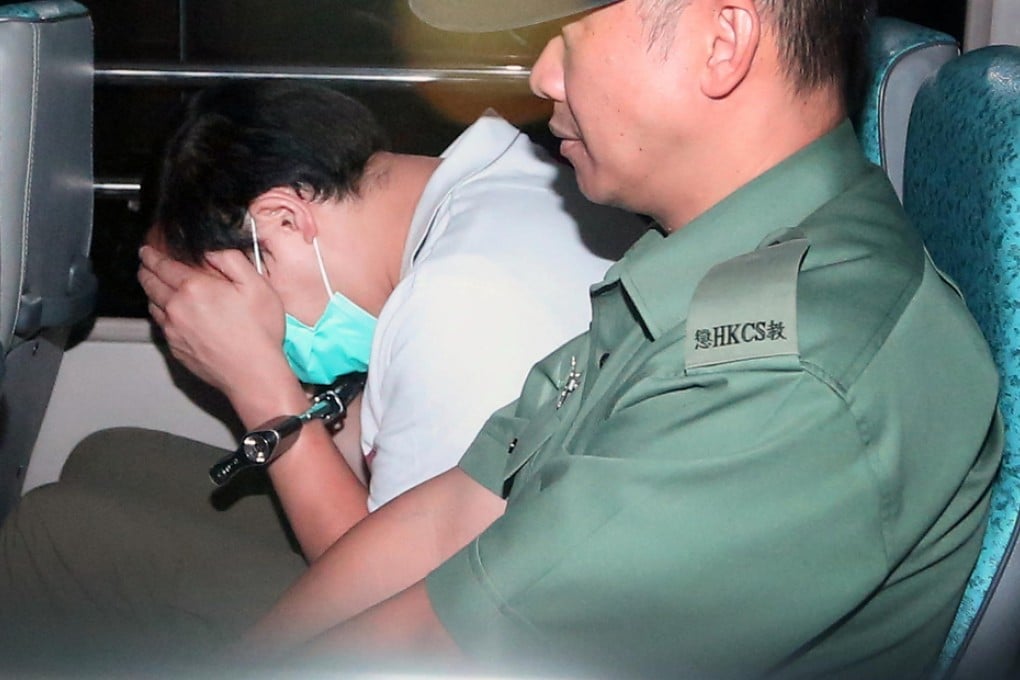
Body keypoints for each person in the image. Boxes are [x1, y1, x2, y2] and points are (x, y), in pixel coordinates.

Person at [227, 1, 1002, 678]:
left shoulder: (794, 377)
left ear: (723, 40)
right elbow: (456, 511)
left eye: (571, 33)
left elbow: (446, 648)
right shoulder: (720, 259)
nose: (541, 76)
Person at [0, 81, 645, 670]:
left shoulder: (460, 302)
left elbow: (401, 596)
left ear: (283, 221)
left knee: (52, 532)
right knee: (108, 457)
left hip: (478, 639)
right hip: (493, 565)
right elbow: (383, 457)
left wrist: (260, 385)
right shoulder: (498, 183)